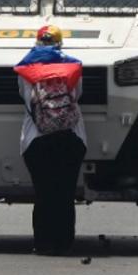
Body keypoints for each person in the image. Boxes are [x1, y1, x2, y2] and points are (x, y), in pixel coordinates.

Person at [14, 25, 87, 255]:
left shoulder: (25, 68)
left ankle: (44, 243)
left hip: (36, 139)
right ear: (60, 43)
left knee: (44, 193)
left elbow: (24, 98)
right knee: (65, 193)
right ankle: (64, 243)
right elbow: (78, 95)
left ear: (37, 42)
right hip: (71, 136)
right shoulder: (73, 66)